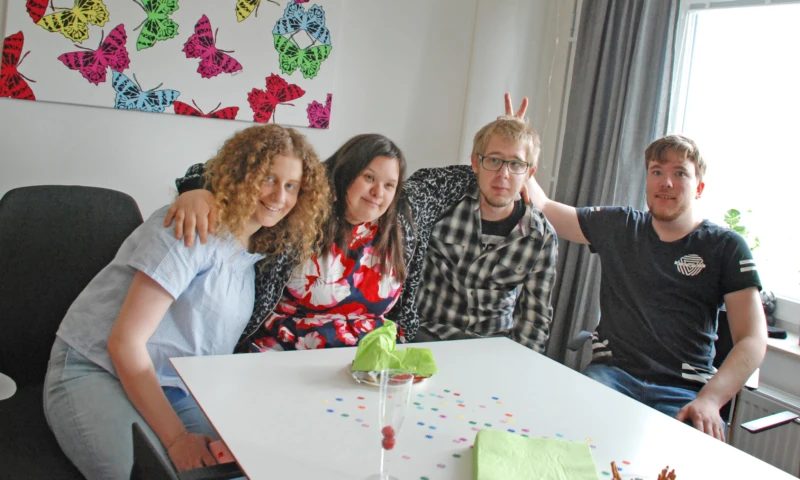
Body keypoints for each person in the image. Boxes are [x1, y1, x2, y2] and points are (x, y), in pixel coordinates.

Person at [43, 124, 329, 479]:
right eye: (268, 179)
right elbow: (124, 343)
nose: (279, 196)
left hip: (172, 386)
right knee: (146, 473)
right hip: (95, 368)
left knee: (248, 467)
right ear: (242, 176)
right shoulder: (191, 227)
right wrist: (177, 438)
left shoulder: (252, 258)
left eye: (291, 186)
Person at [525, 132, 768, 441]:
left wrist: (711, 399)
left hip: (683, 391)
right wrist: (521, 154)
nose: (665, 182)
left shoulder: (726, 247)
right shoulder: (621, 227)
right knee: (571, 443)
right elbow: (545, 207)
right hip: (612, 376)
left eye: (679, 173)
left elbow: (753, 338)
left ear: (700, 188)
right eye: (657, 172)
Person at [169, 134, 478, 350]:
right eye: (368, 177)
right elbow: (228, 172)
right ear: (345, 173)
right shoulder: (302, 201)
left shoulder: (404, 215)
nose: (378, 192)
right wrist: (196, 191)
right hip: (285, 355)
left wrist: (526, 183)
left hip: (371, 365)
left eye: (389, 185)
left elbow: (468, 175)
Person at [409, 112, 558, 353]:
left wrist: (519, 366)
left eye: (516, 164)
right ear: (476, 163)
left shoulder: (541, 237)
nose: (503, 175)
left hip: (491, 348)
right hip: (426, 336)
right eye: (494, 160)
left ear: (529, 173)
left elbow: (535, 319)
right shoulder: (442, 206)